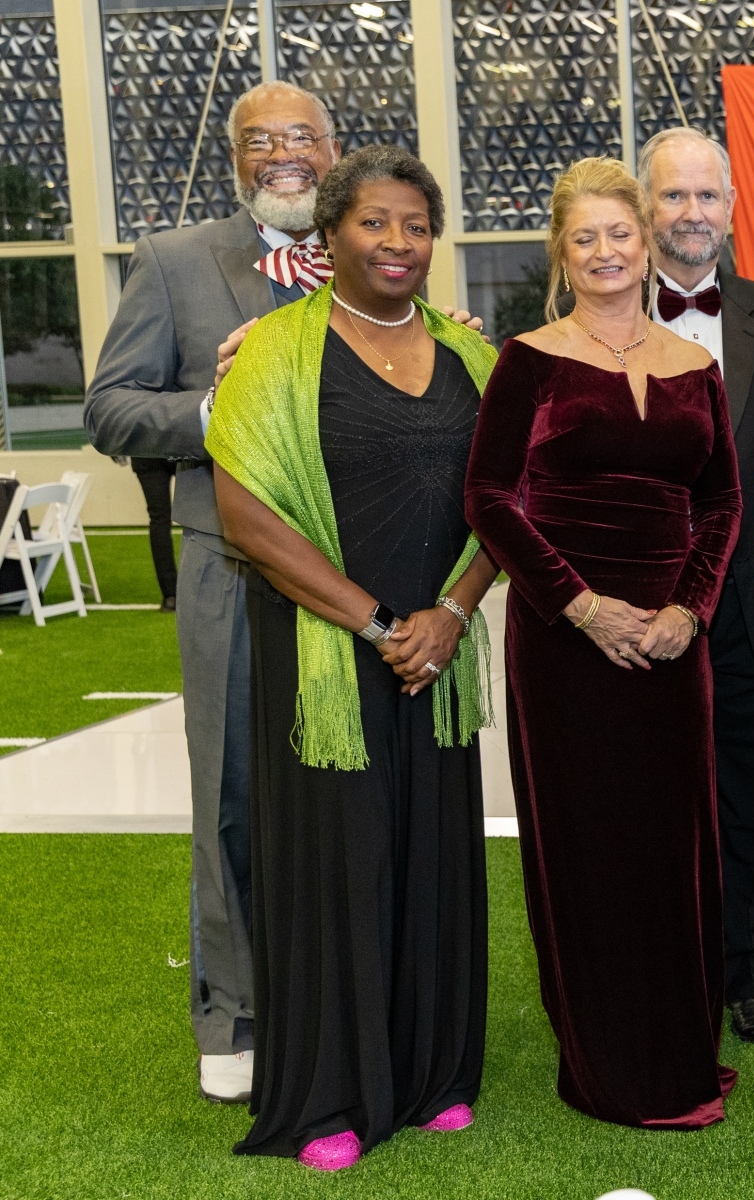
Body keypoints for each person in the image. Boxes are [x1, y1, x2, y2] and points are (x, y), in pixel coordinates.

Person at [84, 81, 482, 1104]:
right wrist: (219, 403)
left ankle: (362, 1001)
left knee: (358, 799)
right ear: (234, 157)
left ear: (333, 150)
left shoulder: (385, 259)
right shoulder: (175, 261)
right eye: (259, 139)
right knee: (235, 793)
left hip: (379, 576)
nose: (283, 152)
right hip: (237, 570)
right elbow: (111, 409)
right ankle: (238, 1013)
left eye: (302, 134)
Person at [208, 146, 496, 1170]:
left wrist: (449, 615)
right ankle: (329, 1093)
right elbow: (247, 516)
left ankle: (431, 1075)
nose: (397, 242)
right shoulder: (274, 352)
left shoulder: (471, 356)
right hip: (325, 652)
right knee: (337, 863)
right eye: (375, 222)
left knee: (430, 855)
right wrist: (377, 625)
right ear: (328, 235)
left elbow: (509, 499)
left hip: (437, 654)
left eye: (416, 225)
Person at [464, 157, 742, 1129]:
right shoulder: (528, 360)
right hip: (564, 645)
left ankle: (679, 1049)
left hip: (672, 646)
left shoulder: (695, 367)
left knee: (673, 845)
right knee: (586, 847)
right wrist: (581, 608)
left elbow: (721, 501)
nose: (604, 251)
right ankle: (606, 1065)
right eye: (583, 238)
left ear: (645, 241)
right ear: (561, 252)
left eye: (618, 233)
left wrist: (688, 612)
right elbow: (487, 497)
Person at [639, 126, 754, 1044]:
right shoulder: (600, 311)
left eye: (706, 195)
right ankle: (662, 970)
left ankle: (748, 971)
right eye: (673, 195)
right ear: (644, 207)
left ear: (733, 208)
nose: (691, 212)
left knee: (753, 800)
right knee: (649, 802)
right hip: (636, 610)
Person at [131, 458, 179, 610]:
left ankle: (170, 596)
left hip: (146, 451)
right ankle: (201, 586)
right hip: (184, 449)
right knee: (198, 517)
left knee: (159, 519)